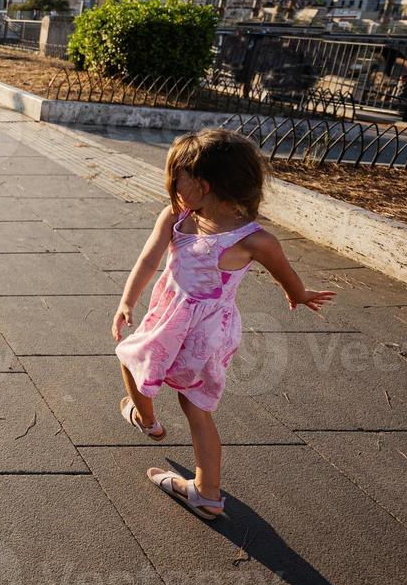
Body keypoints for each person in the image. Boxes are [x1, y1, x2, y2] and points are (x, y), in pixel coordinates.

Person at [113, 129, 333, 521]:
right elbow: (286, 275)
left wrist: (298, 293)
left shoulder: (245, 237)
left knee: (130, 358)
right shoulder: (220, 228)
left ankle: (147, 419)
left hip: (186, 327)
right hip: (210, 332)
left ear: (202, 184)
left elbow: (285, 273)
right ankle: (207, 493)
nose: (171, 186)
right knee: (196, 407)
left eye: (175, 178)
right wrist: (128, 300)